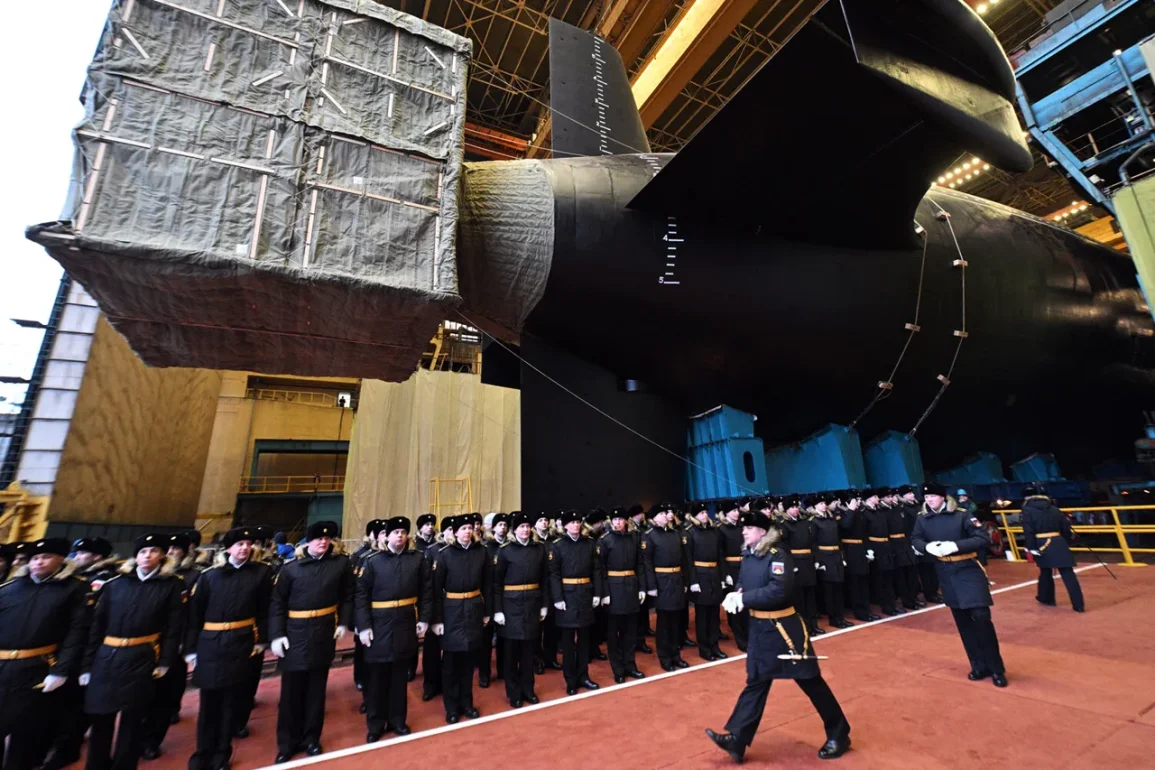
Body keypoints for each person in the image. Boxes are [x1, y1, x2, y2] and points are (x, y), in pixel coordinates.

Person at [705, 510, 851, 763]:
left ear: (762, 531)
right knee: (756, 680)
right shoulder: (748, 555)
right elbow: (745, 580)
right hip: (761, 630)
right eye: (743, 528)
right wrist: (736, 592)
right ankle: (738, 738)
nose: (744, 532)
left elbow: (778, 591)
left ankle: (839, 734)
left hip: (784, 629)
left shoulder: (777, 555)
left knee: (810, 681)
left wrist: (744, 598)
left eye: (748, 528)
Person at [81, 534, 184, 770]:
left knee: (133, 719)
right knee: (101, 719)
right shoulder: (114, 584)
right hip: (107, 656)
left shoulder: (171, 585)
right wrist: (87, 665)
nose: (147, 556)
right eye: (143, 551)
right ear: (135, 556)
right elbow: (97, 627)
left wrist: (165, 661)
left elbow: (173, 627)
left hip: (143, 656)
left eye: (153, 551)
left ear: (163, 556)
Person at [185, 527, 273, 770]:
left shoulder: (260, 574)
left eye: (247, 544)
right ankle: (202, 753)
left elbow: (265, 611)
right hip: (211, 644)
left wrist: (261, 641)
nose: (244, 548)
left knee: (230, 702)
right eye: (239, 544)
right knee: (209, 703)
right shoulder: (209, 576)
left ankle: (222, 753)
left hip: (241, 641)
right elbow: (195, 616)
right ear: (228, 548)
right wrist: (191, 649)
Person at [0, 538, 89, 770]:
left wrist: (60, 671)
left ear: (61, 559)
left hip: (38, 667)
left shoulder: (74, 588)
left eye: (46, 557)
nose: (39, 562)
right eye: (35, 558)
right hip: (2, 666)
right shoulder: (9, 588)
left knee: (27, 733)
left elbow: (76, 632)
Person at [269, 521, 354, 763]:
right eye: (318, 539)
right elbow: (277, 603)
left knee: (317, 691)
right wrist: (276, 635)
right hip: (294, 634)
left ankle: (311, 739)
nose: (323, 542)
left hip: (323, 633)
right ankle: (287, 743)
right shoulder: (291, 569)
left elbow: (347, 595)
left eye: (327, 539)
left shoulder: (339, 565)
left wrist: (342, 623)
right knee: (291, 693)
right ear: (308, 542)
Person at [911, 483, 1006, 687]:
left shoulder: (962, 515)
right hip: (946, 573)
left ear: (943, 498)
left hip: (969, 568)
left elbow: (983, 538)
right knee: (963, 624)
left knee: (981, 618)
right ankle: (978, 665)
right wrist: (927, 546)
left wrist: (955, 546)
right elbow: (916, 538)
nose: (929, 500)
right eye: (926, 498)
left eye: (933, 497)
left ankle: (996, 668)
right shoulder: (922, 518)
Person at [356, 516, 432, 741]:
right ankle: (376, 724)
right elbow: (361, 596)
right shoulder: (372, 561)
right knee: (378, 678)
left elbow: (426, 591)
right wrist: (363, 626)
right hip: (379, 625)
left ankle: (398, 720)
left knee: (400, 678)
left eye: (403, 532)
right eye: (395, 532)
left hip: (405, 622)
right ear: (386, 536)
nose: (400, 536)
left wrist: (425, 619)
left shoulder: (417, 559)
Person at [140, 533, 203, 759]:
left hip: (175, 641)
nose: (173, 552)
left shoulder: (194, 576)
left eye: (177, 549)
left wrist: (189, 645)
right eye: (170, 548)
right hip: (143, 644)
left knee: (166, 695)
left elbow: (193, 614)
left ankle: (152, 739)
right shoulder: (136, 578)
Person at [432, 515, 491, 723]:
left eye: (469, 528)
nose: (467, 532)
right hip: (451, 611)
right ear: (454, 532)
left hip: (474, 609)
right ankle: (451, 707)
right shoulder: (444, 555)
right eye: (463, 529)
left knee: (468, 661)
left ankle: (467, 703)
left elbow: (487, 584)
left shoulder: (481, 552)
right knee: (451, 663)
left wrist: (487, 611)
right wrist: (437, 620)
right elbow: (436, 590)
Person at [492, 511, 549, 706]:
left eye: (527, 526)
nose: (525, 530)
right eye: (521, 527)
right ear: (514, 530)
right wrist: (497, 610)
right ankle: (513, 692)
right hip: (510, 606)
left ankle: (528, 689)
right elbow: (496, 584)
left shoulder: (539, 549)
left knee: (528, 651)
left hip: (532, 604)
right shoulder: (505, 551)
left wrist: (544, 605)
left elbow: (545, 580)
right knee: (511, 653)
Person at [550, 509, 604, 695]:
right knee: (567, 641)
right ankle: (570, 679)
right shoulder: (557, 546)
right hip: (566, 596)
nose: (576, 525)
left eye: (578, 522)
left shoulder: (589, 544)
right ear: (565, 526)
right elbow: (554, 574)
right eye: (572, 523)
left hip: (585, 594)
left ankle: (584, 675)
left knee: (584, 639)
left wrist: (597, 593)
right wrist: (557, 598)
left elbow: (597, 570)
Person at [597, 507, 646, 683]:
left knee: (631, 630)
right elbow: (600, 569)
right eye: (614, 519)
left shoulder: (634, 538)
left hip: (631, 587)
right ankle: (618, 669)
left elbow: (640, 564)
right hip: (613, 589)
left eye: (620, 519)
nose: (617, 522)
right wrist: (604, 593)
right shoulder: (605, 540)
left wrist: (641, 587)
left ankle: (630, 665)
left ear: (626, 521)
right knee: (613, 633)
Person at [1021, 486, 1084, 612]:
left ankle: (1047, 598)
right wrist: (1065, 541)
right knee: (1068, 573)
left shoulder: (1027, 510)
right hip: (1059, 541)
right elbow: (1065, 527)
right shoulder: (1055, 509)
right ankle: (1079, 604)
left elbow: (1028, 531)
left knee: (1045, 571)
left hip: (1042, 543)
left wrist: (1031, 547)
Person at [643, 503, 689, 672]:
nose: (665, 516)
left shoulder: (675, 533)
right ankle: (665, 656)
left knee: (676, 620)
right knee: (664, 622)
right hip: (661, 581)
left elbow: (683, 559)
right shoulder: (649, 536)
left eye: (666, 513)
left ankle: (676, 654)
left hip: (676, 578)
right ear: (654, 517)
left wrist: (684, 581)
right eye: (662, 513)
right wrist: (652, 585)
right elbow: (647, 563)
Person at [350, 519, 384, 713]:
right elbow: (356, 591)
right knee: (363, 654)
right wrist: (357, 621)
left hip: (381, 618)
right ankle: (362, 682)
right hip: (364, 615)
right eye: (380, 533)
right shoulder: (362, 556)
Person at [686, 504, 727, 661]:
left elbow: (720, 555)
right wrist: (693, 581)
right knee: (702, 615)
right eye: (701, 512)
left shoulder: (714, 531)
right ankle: (704, 648)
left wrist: (723, 576)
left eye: (705, 512)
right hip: (700, 576)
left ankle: (714, 645)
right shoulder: (690, 532)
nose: (704, 515)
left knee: (714, 613)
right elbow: (688, 560)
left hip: (714, 574)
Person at [420, 517, 454, 703]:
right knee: (432, 649)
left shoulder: (457, 551)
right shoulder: (432, 551)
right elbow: (427, 583)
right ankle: (430, 685)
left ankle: (447, 683)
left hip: (453, 607)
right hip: (435, 604)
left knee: (451, 649)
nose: (450, 533)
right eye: (448, 529)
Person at [781, 497, 822, 634]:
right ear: (786, 509)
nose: (796, 509)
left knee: (810, 596)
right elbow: (783, 547)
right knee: (799, 598)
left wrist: (815, 558)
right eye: (792, 507)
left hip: (808, 561)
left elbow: (813, 541)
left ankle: (813, 624)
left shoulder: (805, 523)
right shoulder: (784, 524)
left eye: (797, 507)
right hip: (796, 563)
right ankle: (803, 627)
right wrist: (791, 563)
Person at [479, 512, 510, 688]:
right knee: (486, 639)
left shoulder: (510, 546)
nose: (503, 528)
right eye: (500, 525)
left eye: (505, 525)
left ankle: (503, 669)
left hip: (506, 598)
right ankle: (484, 673)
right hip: (489, 598)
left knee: (504, 638)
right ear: (493, 527)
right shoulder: (486, 548)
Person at [812, 497, 852, 629]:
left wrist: (842, 556)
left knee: (838, 588)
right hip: (825, 557)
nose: (824, 506)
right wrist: (818, 560)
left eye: (824, 503)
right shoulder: (814, 522)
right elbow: (813, 542)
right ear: (815, 506)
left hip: (836, 556)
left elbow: (838, 539)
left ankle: (840, 617)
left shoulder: (831, 519)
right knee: (829, 590)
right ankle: (833, 618)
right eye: (821, 503)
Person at [716, 500, 747, 651]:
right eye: (733, 510)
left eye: (737, 510)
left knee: (746, 603)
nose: (737, 513)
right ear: (727, 512)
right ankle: (740, 639)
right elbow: (720, 554)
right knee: (735, 606)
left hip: (744, 567)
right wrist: (725, 574)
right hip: (731, 569)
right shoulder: (721, 529)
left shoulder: (742, 527)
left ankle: (748, 635)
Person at [864, 490, 900, 616]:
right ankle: (886, 605)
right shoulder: (865, 513)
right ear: (868, 499)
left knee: (889, 577)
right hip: (876, 547)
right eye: (874, 496)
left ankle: (892, 604)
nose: (877, 498)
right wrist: (868, 549)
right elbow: (864, 533)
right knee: (880, 579)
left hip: (886, 546)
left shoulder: (879, 512)